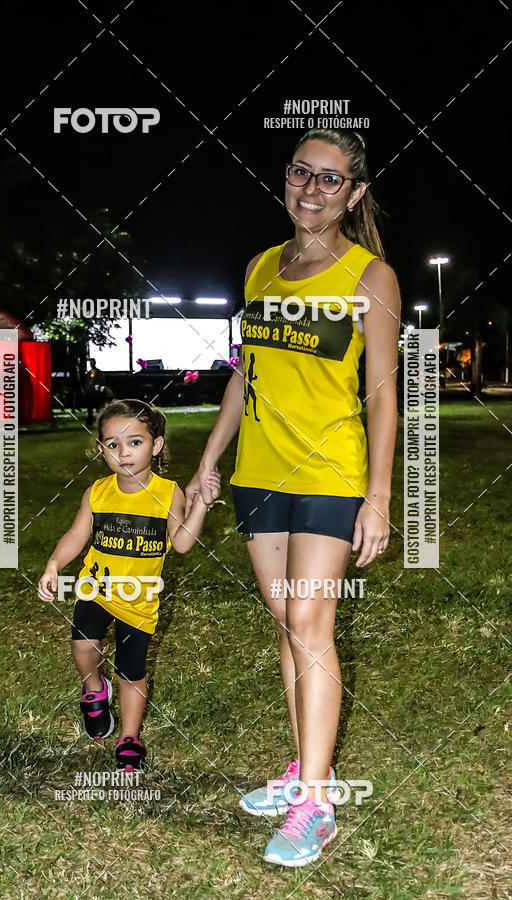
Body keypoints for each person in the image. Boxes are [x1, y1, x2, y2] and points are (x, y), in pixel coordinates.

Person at [186, 128, 400, 867]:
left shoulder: (371, 276)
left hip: (330, 472)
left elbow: (382, 396)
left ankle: (315, 804)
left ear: (355, 192)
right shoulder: (259, 270)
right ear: (286, 177)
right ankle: (309, 768)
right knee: (286, 619)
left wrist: (378, 496)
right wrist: (208, 463)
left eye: (331, 179)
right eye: (302, 173)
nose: (312, 189)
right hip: (259, 471)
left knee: (311, 619)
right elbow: (245, 376)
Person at [38, 398, 220, 771]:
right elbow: (77, 534)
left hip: (139, 600)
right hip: (97, 588)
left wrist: (201, 506)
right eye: (112, 444)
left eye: (135, 442)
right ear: (101, 449)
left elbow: (182, 543)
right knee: (83, 645)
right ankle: (93, 689)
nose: (123, 453)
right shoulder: (98, 491)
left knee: (131, 671)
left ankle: (130, 738)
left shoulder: (169, 493)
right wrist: (55, 564)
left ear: (156, 445)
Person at [84, 358, 105, 426]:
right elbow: (87, 382)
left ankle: (99, 421)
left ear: (95, 363)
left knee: (98, 408)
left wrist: (99, 389)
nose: (91, 364)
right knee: (89, 408)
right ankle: (89, 422)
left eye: (92, 363)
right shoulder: (88, 373)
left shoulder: (99, 372)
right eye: (90, 363)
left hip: (96, 393)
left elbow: (102, 382)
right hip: (90, 393)